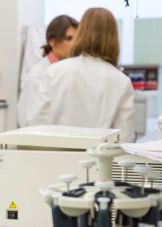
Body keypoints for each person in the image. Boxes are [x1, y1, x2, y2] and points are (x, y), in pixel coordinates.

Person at [26, 8, 136, 143]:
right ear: (113, 38)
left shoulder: (54, 71)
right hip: (98, 161)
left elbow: (35, 122)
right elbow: (125, 137)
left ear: (81, 33)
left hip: (55, 158)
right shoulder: (121, 82)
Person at [17, 14, 79, 127]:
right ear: (52, 41)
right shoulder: (37, 75)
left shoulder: (71, 71)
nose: (75, 44)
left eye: (77, 39)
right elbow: (25, 119)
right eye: (69, 38)